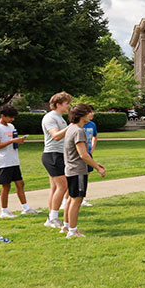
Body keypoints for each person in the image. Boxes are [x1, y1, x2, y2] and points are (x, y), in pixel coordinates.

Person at [62, 103, 106, 238]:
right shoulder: (78, 131)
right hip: (77, 170)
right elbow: (83, 154)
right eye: (88, 112)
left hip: (71, 169)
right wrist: (97, 167)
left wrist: (94, 163)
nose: (91, 114)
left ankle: (67, 226)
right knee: (77, 200)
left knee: (71, 198)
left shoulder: (71, 129)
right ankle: (72, 231)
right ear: (81, 115)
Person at [0, 104, 39, 218]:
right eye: (10, 117)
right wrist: (12, 141)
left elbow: (12, 140)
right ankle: (4, 211)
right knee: (6, 186)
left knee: (20, 183)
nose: (12, 119)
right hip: (4, 162)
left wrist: (18, 141)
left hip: (14, 160)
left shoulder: (11, 127)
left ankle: (26, 208)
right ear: (3, 116)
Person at [41, 92, 72, 228]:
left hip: (58, 154)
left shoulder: (60, 118)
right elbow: (55, 136)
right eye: (66, 103)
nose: (68, 106)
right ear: (58, 104)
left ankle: (51, 217)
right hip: (53, 155)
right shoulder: (50, 117)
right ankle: (53, 218)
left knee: (55, 187)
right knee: (63, 186)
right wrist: (72, 126)